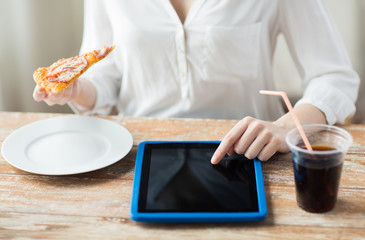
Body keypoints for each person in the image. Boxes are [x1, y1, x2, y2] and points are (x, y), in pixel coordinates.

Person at [33, 0, 360, 164]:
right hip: (136, 156)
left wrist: (286, 125)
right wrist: (78, 89)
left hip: (248, 156)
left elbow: (335, 77)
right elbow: (108, 78)